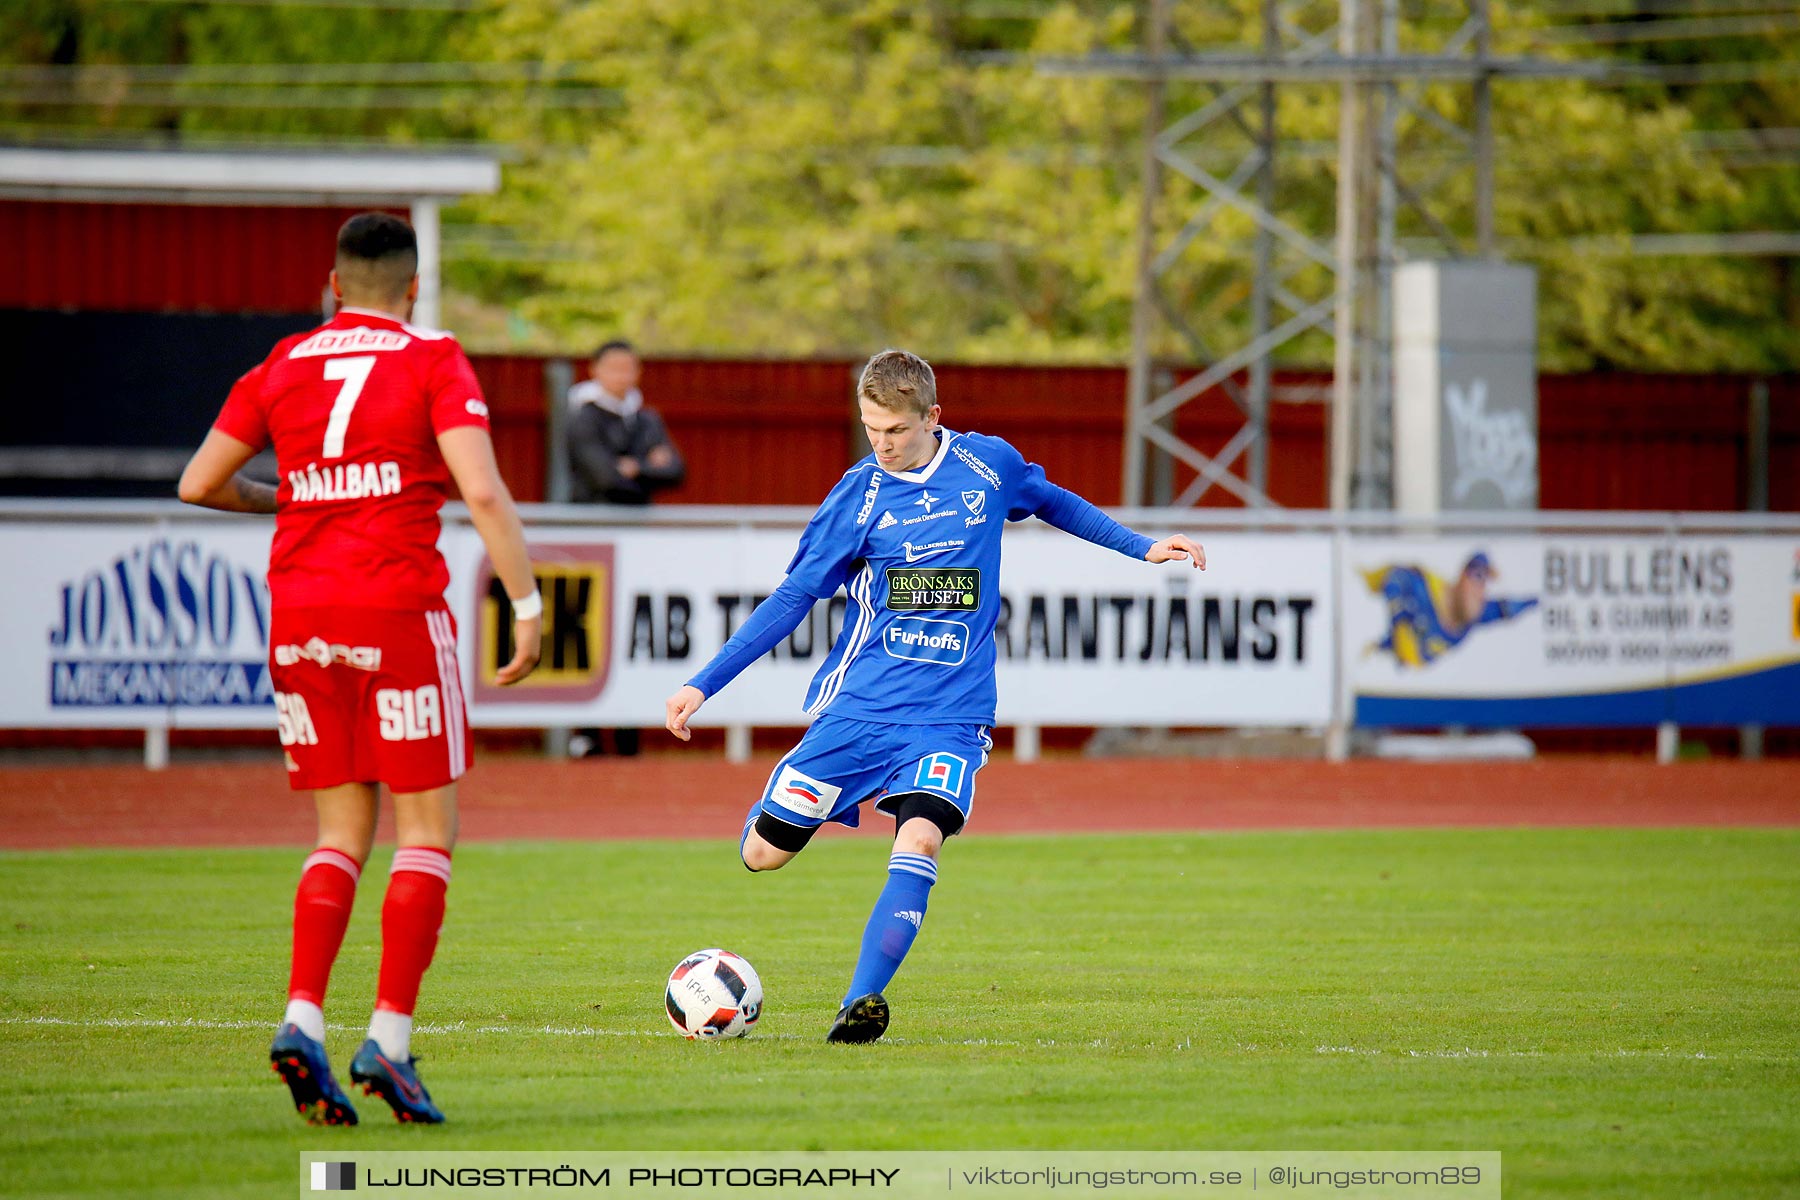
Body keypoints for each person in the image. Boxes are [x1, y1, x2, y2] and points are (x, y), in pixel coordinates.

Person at [664, 349, 1204, 1044]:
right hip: (861, 708)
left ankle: (859, 1005)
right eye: (870, 429)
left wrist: (1142, 547)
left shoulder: (987, 465)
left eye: (895, 430)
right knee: (762, 856)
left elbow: (1052, 501)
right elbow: (795, 596)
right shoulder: (857, 496)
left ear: (933, 417)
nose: (881, 444)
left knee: (921, 837)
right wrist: (703, 682)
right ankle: (785, 808)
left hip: (952, 715)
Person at [178, 212, 542, 1125]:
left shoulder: (283, 362)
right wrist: (529, 606)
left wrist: (288, 498)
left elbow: (199, 482)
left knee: (339, 831)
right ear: (411, 288)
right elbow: (483, 490)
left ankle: (301, 1017)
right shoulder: (432, 358)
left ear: (335, 285)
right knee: (425, 830)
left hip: (300, 612)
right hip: (395, 609)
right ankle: (388, 1040)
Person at [1362, 551, 1538, 667]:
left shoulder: (1472, 616)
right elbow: (1389, 578)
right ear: (1462, 577)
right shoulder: (1424, 588)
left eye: (1485, 585)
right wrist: (1398, 620)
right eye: (1477, 578)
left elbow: (1506, 609)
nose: (1481, 592)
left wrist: (1541, 600)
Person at [566, 339, 685, 506]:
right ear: (595, 369)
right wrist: (649, 469)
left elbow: (675, 472)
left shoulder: (646, 418)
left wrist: (635, 468)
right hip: (592, 519)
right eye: (614, 368)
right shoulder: (584, 418)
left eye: (627, 368)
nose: (621, 376)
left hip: (638, 519)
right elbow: (604, 479)